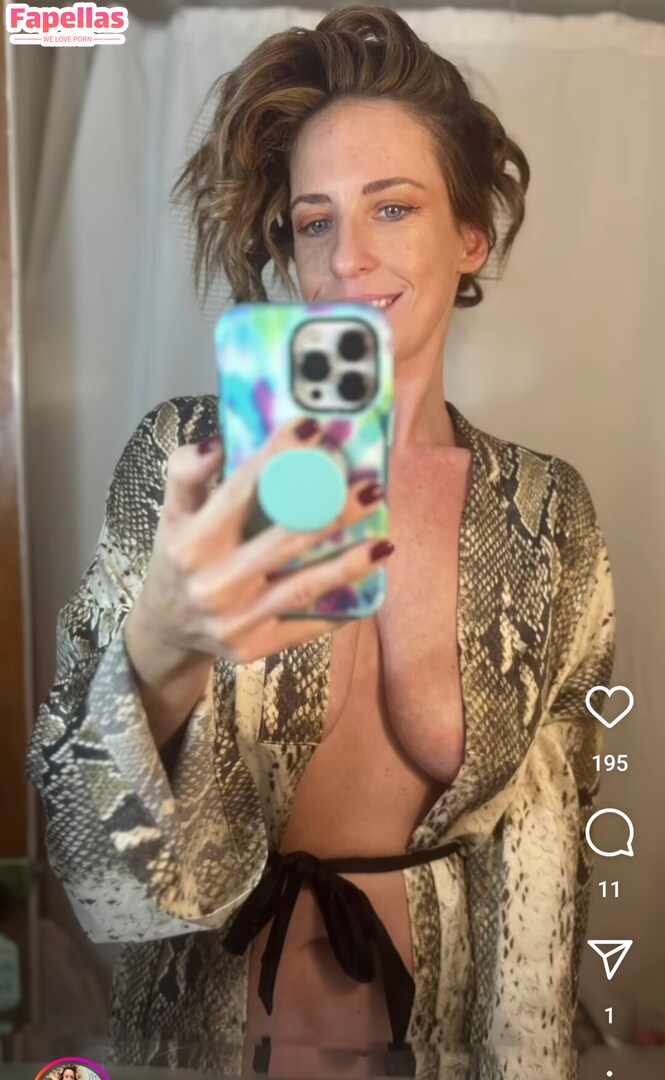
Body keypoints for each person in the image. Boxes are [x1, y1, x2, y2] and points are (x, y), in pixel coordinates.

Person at [25, 7, 616, 1080]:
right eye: (312, 221)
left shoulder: (543, 513)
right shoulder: (186, 466)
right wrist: (158, 649)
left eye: (392, 206)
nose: (346, 255)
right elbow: (84, 854)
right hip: (199, 1046)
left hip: (435, 1050)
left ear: (469, 236)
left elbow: (550, 855)